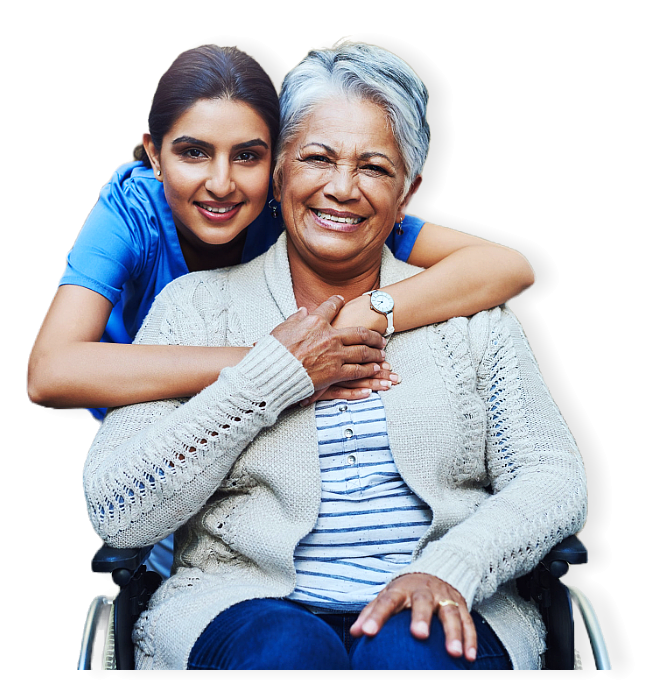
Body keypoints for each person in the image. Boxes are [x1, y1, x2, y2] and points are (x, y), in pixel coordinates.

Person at [83, 41, 586, 670]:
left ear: (408, 191)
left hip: (450, 604)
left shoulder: (473, 318)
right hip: (239, 605)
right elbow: (117, 511)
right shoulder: (194, 308)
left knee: (414, 648)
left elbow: (553, 477)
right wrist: (270, 378)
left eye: (374, 167)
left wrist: (453, 568)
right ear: (281, 172)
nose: (341, 189)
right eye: (317, 158)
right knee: (284, 650)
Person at [27, 43, 535, 424]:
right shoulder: (132, 210)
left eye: (247, 154)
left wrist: (363, 314)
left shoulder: (306, 208)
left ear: (276, 164)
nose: (221, 183)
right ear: (155, 154)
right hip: (162, 436)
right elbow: (50, 372)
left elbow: (507, 267)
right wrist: (279, 361)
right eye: (193, 152)